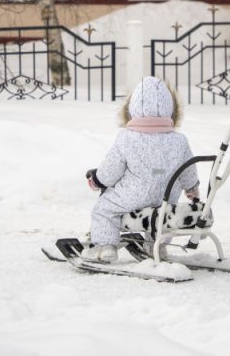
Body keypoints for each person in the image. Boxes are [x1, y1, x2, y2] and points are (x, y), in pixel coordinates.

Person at [82, 76, 200, 263]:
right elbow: (188, 169)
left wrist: (97, 180)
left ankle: (105, 247)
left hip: (133, 196)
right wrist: (191, 188)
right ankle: (157, 247)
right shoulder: (179, 140)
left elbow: (111, 171)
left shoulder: (126, 138)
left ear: (132, 107)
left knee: (104, 209)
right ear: (170, 107)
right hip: (166, 196)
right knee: (162, 216)